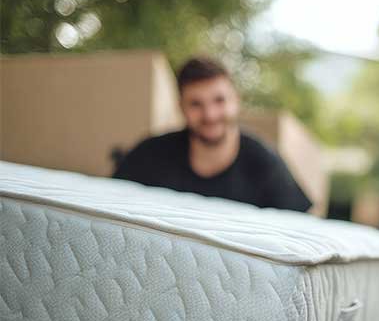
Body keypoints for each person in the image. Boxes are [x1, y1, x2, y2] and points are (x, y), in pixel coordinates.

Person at [114, 56, 311, 212]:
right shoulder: (150, 154)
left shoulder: (265, 164)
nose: (210, 115)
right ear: (181, 107)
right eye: (196, 104)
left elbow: (300, 232)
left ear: (236, 101)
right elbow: (109, 203)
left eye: (219, 100)